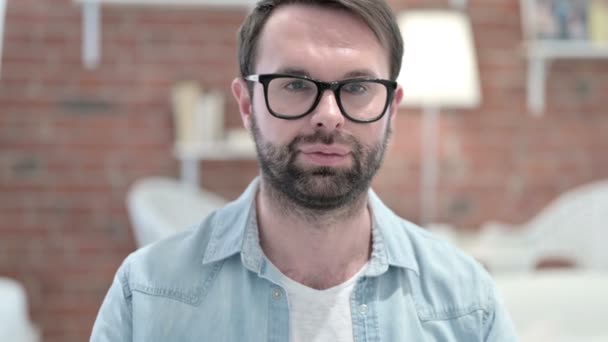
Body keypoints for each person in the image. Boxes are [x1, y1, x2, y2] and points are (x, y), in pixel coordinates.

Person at [91, 0, 517, 341]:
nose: (328, 116)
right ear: (246, 104)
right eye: (295, 85)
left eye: (356, 87)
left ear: (392, 108)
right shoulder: (146, 296)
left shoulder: (466, 303)